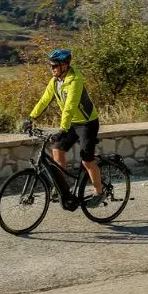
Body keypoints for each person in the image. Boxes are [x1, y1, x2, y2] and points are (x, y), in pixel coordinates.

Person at [22, 49, 105, 208]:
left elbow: (70, 107)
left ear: (65, 66)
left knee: (87, 160)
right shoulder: (55, 82)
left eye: (55, 66)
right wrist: (30, 118)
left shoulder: (75, 81)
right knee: (57, 151)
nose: (52, 69)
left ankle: (99, 191)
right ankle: (62, 188)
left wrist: (62, 129)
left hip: (87, 123)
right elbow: (44, 100)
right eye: (51, 66)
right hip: (72, 124)